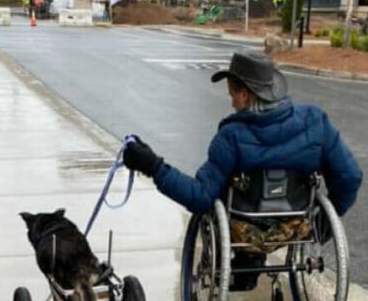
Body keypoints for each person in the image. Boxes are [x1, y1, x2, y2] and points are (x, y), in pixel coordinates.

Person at [123, 50, 361, 267]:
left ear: (245, 95)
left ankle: (244, 263)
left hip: (244, 231)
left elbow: (200, 197)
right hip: (297, 226)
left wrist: (153, 166)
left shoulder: (230, 137)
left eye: (232, 95)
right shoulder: (315, 121)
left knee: (218, 204)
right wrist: (321, 228)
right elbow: (350, 177)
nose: (231, 102)